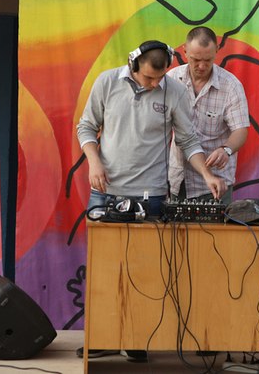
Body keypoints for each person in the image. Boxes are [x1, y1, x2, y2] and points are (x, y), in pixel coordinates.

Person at [76, 40, 227, 361]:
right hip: (107, 192)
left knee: (144, 271)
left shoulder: (174, 91)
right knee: (104, 270)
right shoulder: (107, 82)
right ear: (133, 65)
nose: (154, 84)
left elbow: (188, 140)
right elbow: (86, 127)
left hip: (152, 196)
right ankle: (103, 337)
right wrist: (94, 161)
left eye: (159, 78)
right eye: (148, 78)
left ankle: (136, 338)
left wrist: (207, 174)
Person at [167, 26, 249, 205]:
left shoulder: (231, 86)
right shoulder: (171, 79)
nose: (202, 66)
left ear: (217, 51)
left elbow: (241, 130)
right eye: (195, 60)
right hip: (177, 179)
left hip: (216, 183)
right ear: (185, 51)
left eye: (208, 60)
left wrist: (226, 150)